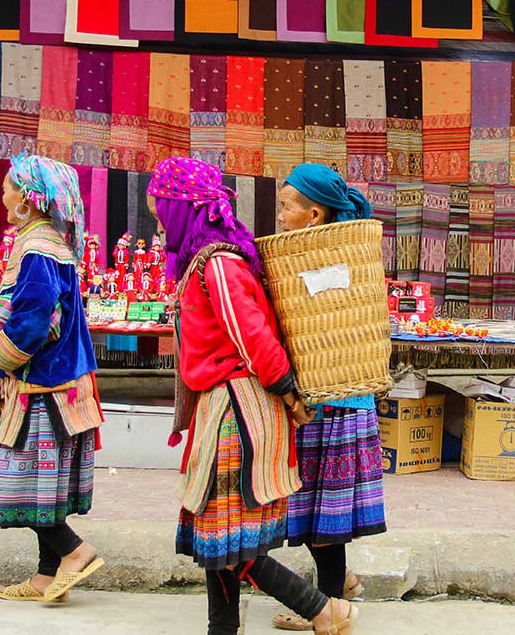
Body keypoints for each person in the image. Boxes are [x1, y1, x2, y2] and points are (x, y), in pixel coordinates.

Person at [148, 157, 359, 635]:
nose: (160, 227)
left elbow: (253, 335)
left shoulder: (219, 264)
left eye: (162, 214)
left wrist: (286, 390)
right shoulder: (208, 262)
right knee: (220, 538)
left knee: (226, 540)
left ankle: (323, 610)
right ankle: (223, 628)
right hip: (221, 409)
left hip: (236, 412)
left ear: (183, 210)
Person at [0, 154, 105, 603]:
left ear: (28, 199)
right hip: (60, 383)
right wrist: (2, 370)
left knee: (20, 481)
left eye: (10, 187)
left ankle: (75, 551)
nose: (4, 194)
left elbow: (32, 321)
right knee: (42, 487)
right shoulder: (52, 244)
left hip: (45, 385)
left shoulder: (35, 250)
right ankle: (46, 578)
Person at [269, 164, 387, 632]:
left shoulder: (328, 258)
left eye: (285, 205)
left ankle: (331, 604)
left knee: (325, 514)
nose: (278, 215)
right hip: (333, 399)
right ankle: (343, 583)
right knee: (323, 508)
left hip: (333, 402)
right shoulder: (332, 252)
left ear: (313, 215)